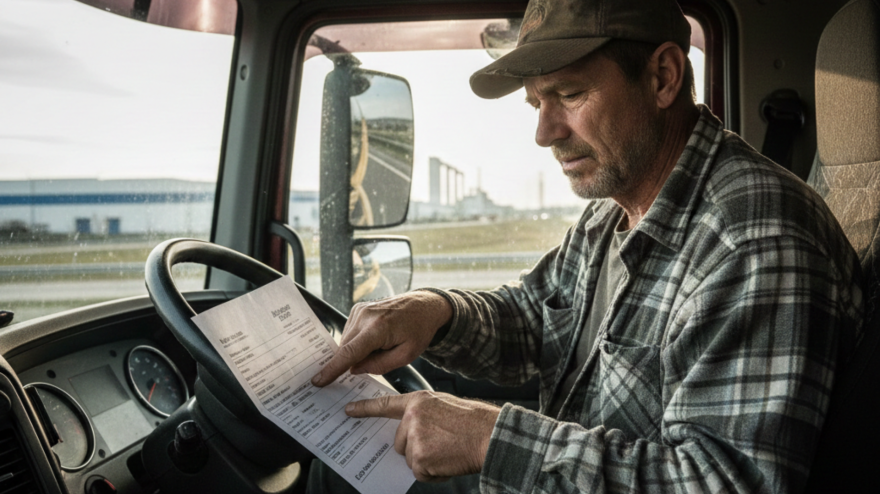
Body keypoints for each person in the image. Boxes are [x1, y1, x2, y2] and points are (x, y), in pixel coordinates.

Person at [307, 0, 864, 492]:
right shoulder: (614, 207)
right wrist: (438, 312)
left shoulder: (753, 243)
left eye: (569, 95)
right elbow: (536, 318)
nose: (545, 133)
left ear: (663, 77)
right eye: (535, 105)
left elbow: (719, 482)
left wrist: (491, 441)